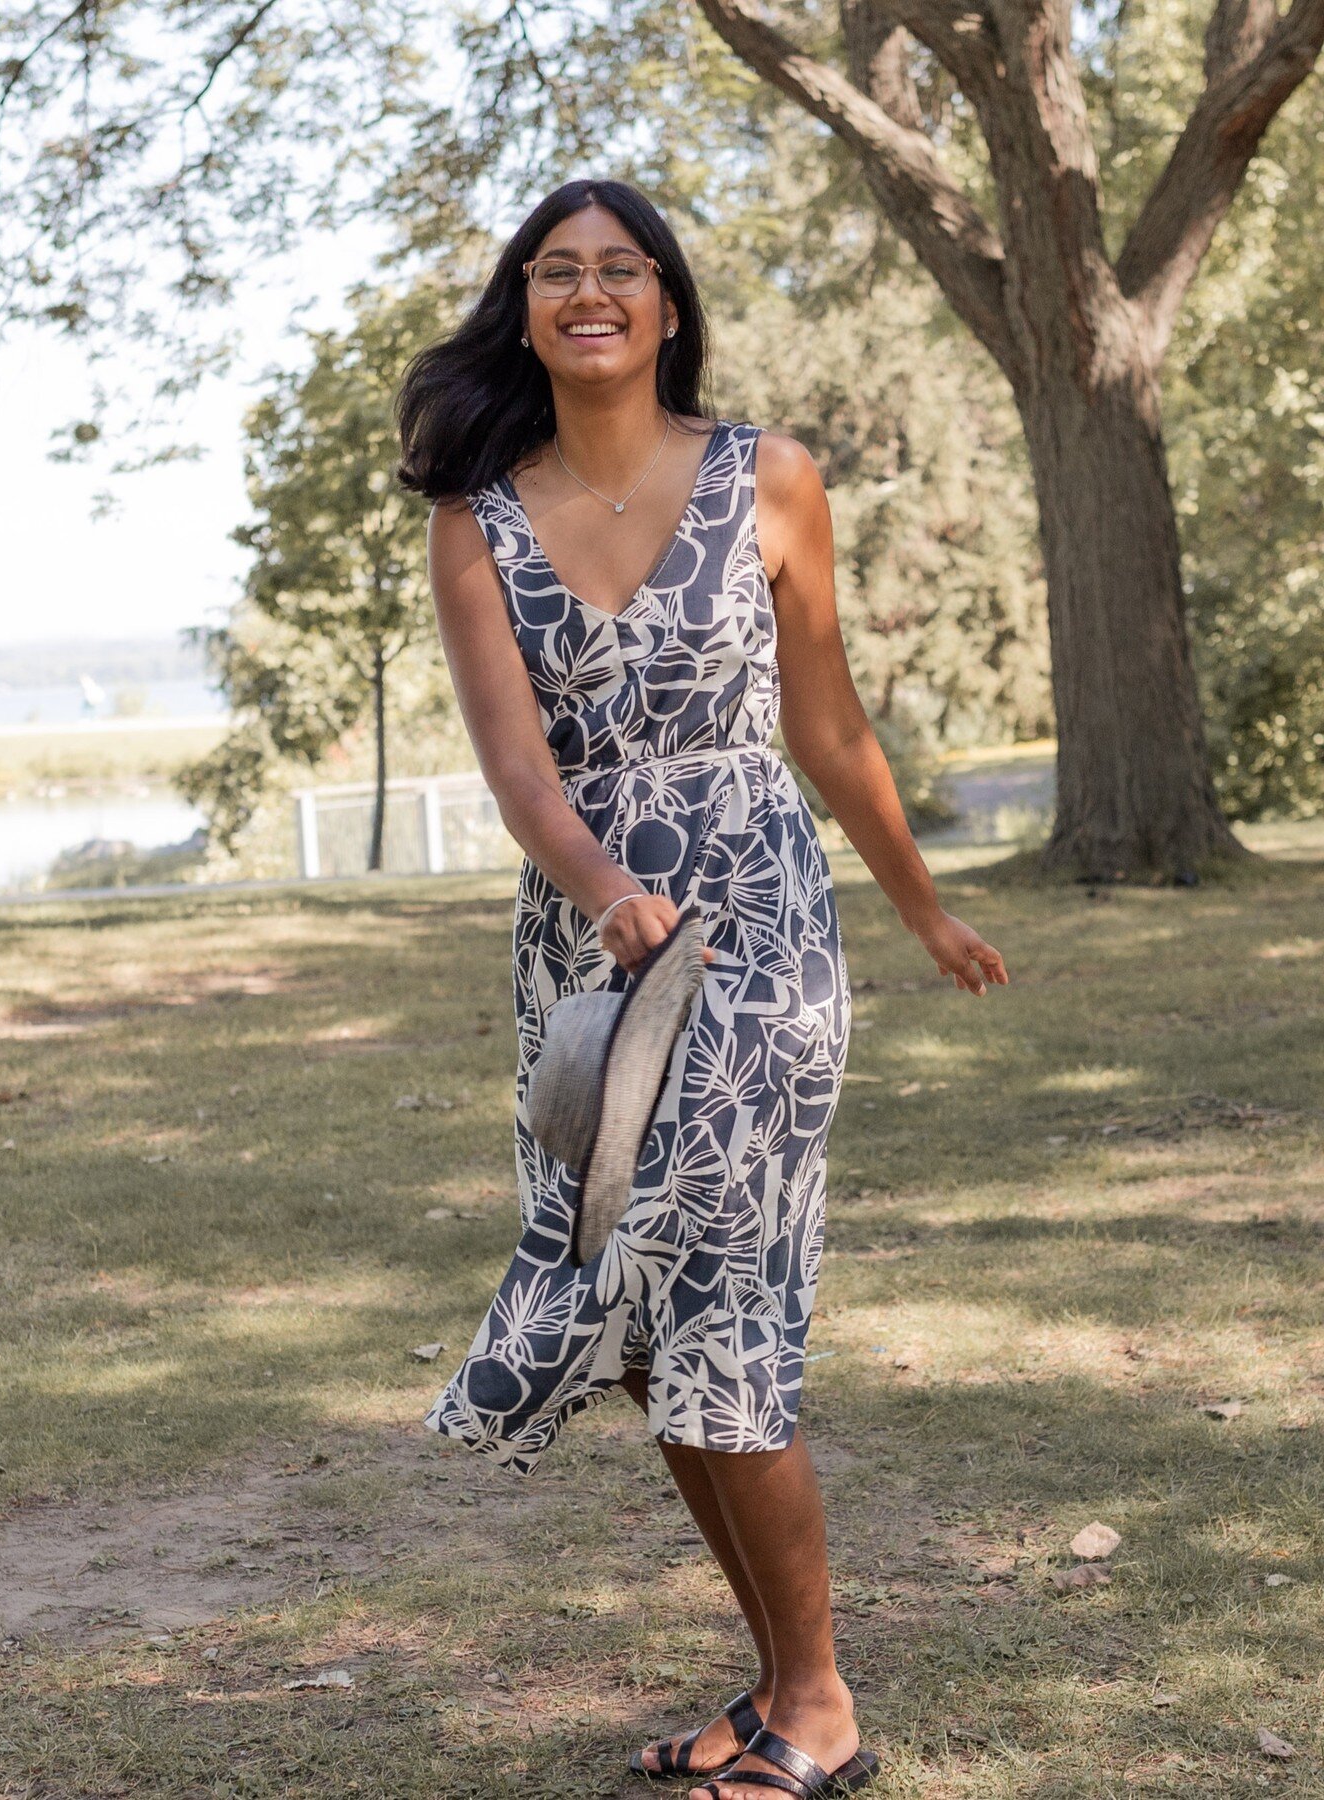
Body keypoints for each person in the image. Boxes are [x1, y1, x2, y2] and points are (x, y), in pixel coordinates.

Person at [395, 177, 1009, 1800]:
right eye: (555, 273)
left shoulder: (769, 479)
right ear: (526, 309)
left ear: (667, 304)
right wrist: (604, 891)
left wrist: (925, 910)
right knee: (658, 1329)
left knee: (723, 1297)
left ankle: (820, 1709)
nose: (588, 292)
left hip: (755, 935)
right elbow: (520, 773)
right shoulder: (479, 514)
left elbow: (829, 731)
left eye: (620, 269)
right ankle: (779, 1686)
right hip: (589, 956)